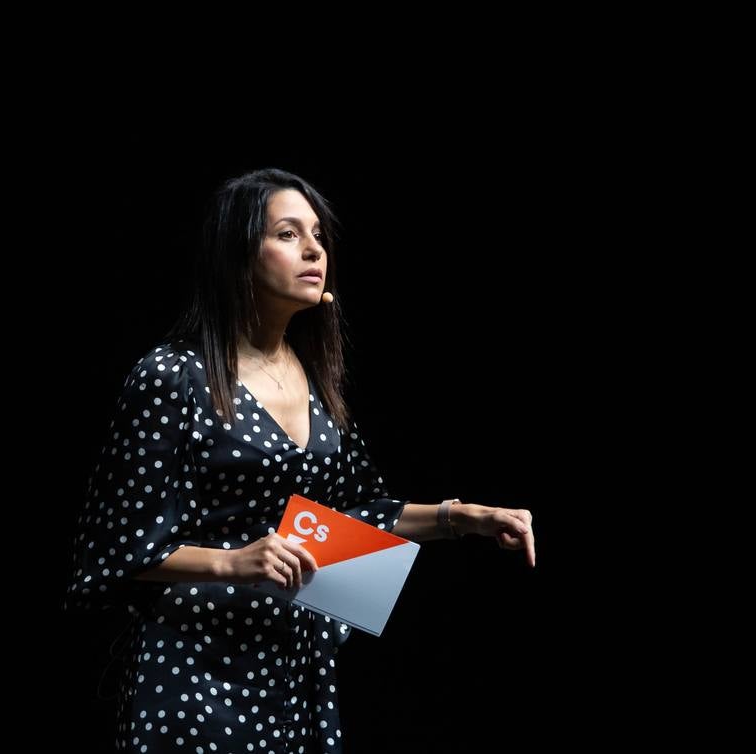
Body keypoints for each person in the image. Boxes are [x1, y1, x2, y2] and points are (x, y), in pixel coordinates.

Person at [62, 168, 536, 751]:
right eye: (288, 234)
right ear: (237, 254)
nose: (314, 250)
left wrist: (458, 518)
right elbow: (114, 549)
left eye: (317, 236)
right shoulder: (172, 377)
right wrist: (233, 562)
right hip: (198, 671)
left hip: (295, 667)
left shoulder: (314, 378)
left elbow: (353, 516)